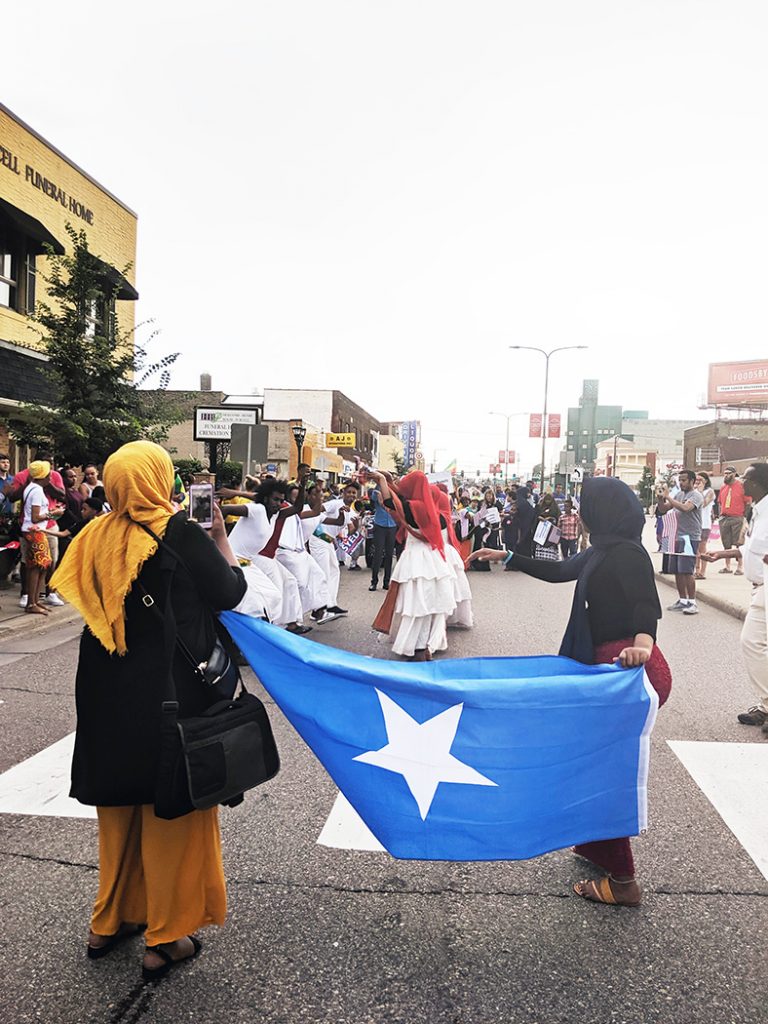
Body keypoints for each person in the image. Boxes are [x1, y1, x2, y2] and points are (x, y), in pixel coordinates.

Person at [49, 441, 248, 980]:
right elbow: (229, 592)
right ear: (159, 480)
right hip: (171, 702)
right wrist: (221, 539)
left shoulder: (93, 535)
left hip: (106, 699)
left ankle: (108, 922)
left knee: (117, 815)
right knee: (172, 818)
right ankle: (164, 938)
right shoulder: (180, 531)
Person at [469, 476, 670, 907]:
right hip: (604, 669)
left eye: (585, 504)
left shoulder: (630, 553)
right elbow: (561, 571)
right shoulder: (602, 548)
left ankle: (622, 881)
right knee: (593, 762)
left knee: (599, 771)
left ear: (605, 510)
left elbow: (644, 606)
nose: (577, 511)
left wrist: (642, 645)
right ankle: (597, 847)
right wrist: (508, 555)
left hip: (625, 671)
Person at [702, 463, 768, 731]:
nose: (743, 482)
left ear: (760, 482)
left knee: (753, 641)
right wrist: (722, 554)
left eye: (747, 478)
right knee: (751, 642)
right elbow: (752, 547)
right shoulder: (758, 511)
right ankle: (766, 705)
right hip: (759, 587)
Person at [370, 470, 456, 660]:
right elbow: (400, 500)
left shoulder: (411, 508)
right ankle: (424, 647)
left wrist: (384, 481)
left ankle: (415, 649)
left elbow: (393, 503)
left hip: (415, 562)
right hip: (434, 563)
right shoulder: (437, 514)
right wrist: (389, 482)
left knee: (415, 606)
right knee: (428, 608)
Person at [219, 478, 310, 634]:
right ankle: (243, 636)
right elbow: (225, 509)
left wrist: (302, 485)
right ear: (266, 498)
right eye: (275, 499)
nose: (278, 503)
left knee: (274, 596)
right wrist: (215, 535)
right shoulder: (257, 509)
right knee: (253, 602)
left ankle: (264, 632)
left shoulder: (275, 515)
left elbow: (297, 507)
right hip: (232, 561)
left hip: (248, 563)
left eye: (281, 500)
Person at [657, 470, 703, 615]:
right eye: (680, 480)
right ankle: (682, 600)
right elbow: (664, 509)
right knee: (677, 570)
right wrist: (660, 498)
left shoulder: (696, 496)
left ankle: (692, 602)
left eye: (684, 480)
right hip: (676, 536)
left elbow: (685, 508)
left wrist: (668, 497)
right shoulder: (679, 494)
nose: (681, 483)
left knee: (687, 571)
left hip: (690, 537)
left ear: (692, 481)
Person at [432, 485, 473, 628]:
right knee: (455, 583)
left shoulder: (440, 503)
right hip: (448, 548)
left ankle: (441, 613)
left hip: (439, 548)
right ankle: (454, 614)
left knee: (443, 582)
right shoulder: (448, 503)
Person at [21, 461, 56, 615]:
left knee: (42, 566)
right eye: (49, 474)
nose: (50, 477)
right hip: (35, 531)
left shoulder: (32, 488)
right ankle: (31, 603)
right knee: (36, 566)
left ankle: (35, 601)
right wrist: (52, 514)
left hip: (35, 531)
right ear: (44, 476)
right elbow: (35, 517)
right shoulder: (37, 491)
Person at [369, 482, 398, 592]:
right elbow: (380, 501)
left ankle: (386, 582)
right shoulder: (377, 490)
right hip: (380, 525)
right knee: (378, 554)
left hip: (392, 525)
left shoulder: (393, 491)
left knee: (389, 555)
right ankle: (374, 582)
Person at [717, 467, 746, 575]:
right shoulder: (723, 487)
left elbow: (747, 502)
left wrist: (744, 516)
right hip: (724, 517)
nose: (726, 475)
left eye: (728, 473)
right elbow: (720, 502)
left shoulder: (741, 486)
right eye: (724, 473)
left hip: (737, 517)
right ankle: (727, 566)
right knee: (726, 543)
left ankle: (740, 567)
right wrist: (720, 514)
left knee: (739, 543)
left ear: (734, 474)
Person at [470, 490, 501, 571]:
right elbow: (479, 517)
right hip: (482, 528)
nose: (489, 497)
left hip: (492, 528)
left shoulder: (496, 504)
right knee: (480, 545)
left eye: (490, 496)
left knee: (488, 545)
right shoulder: (482, 505)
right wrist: (485, 522)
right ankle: (477, 564)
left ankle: (485, 564)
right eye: (487, 496)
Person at [694, 471, 715, 580]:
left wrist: (701, 492)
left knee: (702, 548)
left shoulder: (709, 491)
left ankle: (702, 571)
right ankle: (696, 570)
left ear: (706, 481)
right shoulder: (694, 491)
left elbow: (703, 504)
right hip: (695, 523)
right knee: (695, 549)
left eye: (700, 480)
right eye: (696, 480)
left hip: (704, 524)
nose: (698, 482)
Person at [533, 492, 561, 561]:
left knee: (551, 545)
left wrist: (550, 518)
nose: (547, 502)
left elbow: (558, 518)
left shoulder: (555, 508)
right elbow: (535, 516)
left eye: (549, 500)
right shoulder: (540, 507)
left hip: (551, 531)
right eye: (546, 500)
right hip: (541, 531)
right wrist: (540, 518)